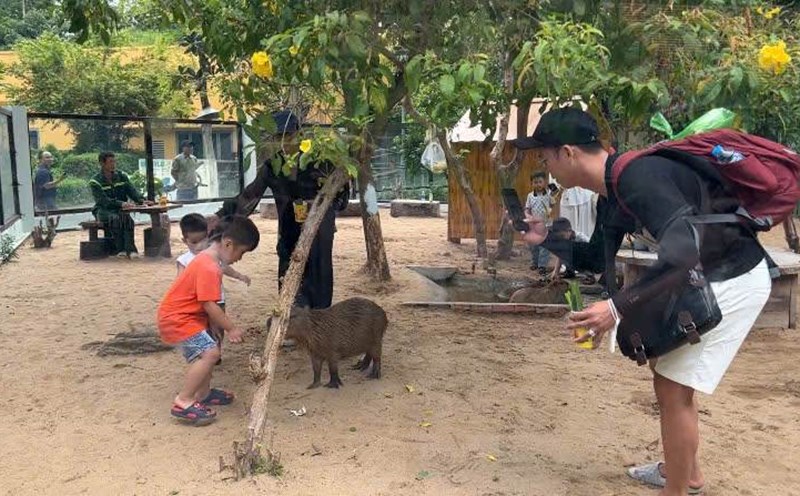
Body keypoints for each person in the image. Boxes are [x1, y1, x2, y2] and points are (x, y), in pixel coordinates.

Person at [514, 107, 771, 496]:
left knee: (672, 386)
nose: (545, 165)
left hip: (732, 276)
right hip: (702, 274)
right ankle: (685, 471)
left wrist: (615, 308)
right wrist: (545, 238)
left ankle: (680, 487)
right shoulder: (611, 193)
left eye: (545, 156)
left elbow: (683, 253)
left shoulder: (637, 176)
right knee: (663, 365)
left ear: (567, 153)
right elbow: (596, 256)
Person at [210, 109, 349, 310]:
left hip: (320, 230)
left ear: (300, 134)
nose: (284, 141)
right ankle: (290, 321)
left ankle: (319, 324)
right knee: (288, 273)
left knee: (319, 273)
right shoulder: (273, 166)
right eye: (278, 137)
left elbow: (341, 195)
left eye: (289, 136)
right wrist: (221, 216)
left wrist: (319, 206)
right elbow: (250, 195)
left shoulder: (320, 161)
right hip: (289, 231)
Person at [157, 215, 260, 425]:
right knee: (210, 353)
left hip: (187, 317)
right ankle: (184, 400)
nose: (240, 258)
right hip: (178, 319)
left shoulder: (209, 261)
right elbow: (209, 304)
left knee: (210, 349)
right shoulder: (208, 266)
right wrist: (231, 328)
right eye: (241, 252)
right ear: (228, 243)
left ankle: (203, 394)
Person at [176, 213, 252, 362]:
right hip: (197, 304)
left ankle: (215, 352)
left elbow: (225, 268)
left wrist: (240, 276)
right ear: (185, 241)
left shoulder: (213, 256)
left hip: (217, 300)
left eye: (203, 239)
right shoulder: (184, 260)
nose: (199, 245)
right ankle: (203, 355)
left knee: (217, 329)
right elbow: (180, 282)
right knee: (201, 329)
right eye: (194, 242)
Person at [89, 152, 153, 259]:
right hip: (103, 210)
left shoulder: (122, 176)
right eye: (110, 162)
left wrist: (141, 200)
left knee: (128, 220)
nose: (113, 164)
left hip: (121, 210)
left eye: (114, 161)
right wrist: (121, 203)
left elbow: (132, 191)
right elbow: (103, 201)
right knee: (116, 219)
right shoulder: (95, 181)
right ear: (102, 163)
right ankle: (121, 250)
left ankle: (131, 250)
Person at [524, 171, 555, 274]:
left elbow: (552, 205)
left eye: (540, 182)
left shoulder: (548, 195)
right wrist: (527, 219)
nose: (538, 184)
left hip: (546, 225)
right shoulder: (530, 196)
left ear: (544, 182)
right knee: (534, 245)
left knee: (544, 246)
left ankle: (542, 265)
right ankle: (535, 262)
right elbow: (527, 208)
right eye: (535, 182)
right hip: (534, 225)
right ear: (532, 183)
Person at [547, 217, 591, 281]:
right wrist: (556, 271)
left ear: (569, 231)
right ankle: (569, 272)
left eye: (562, 236)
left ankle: (589, 275)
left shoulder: (582, 239)